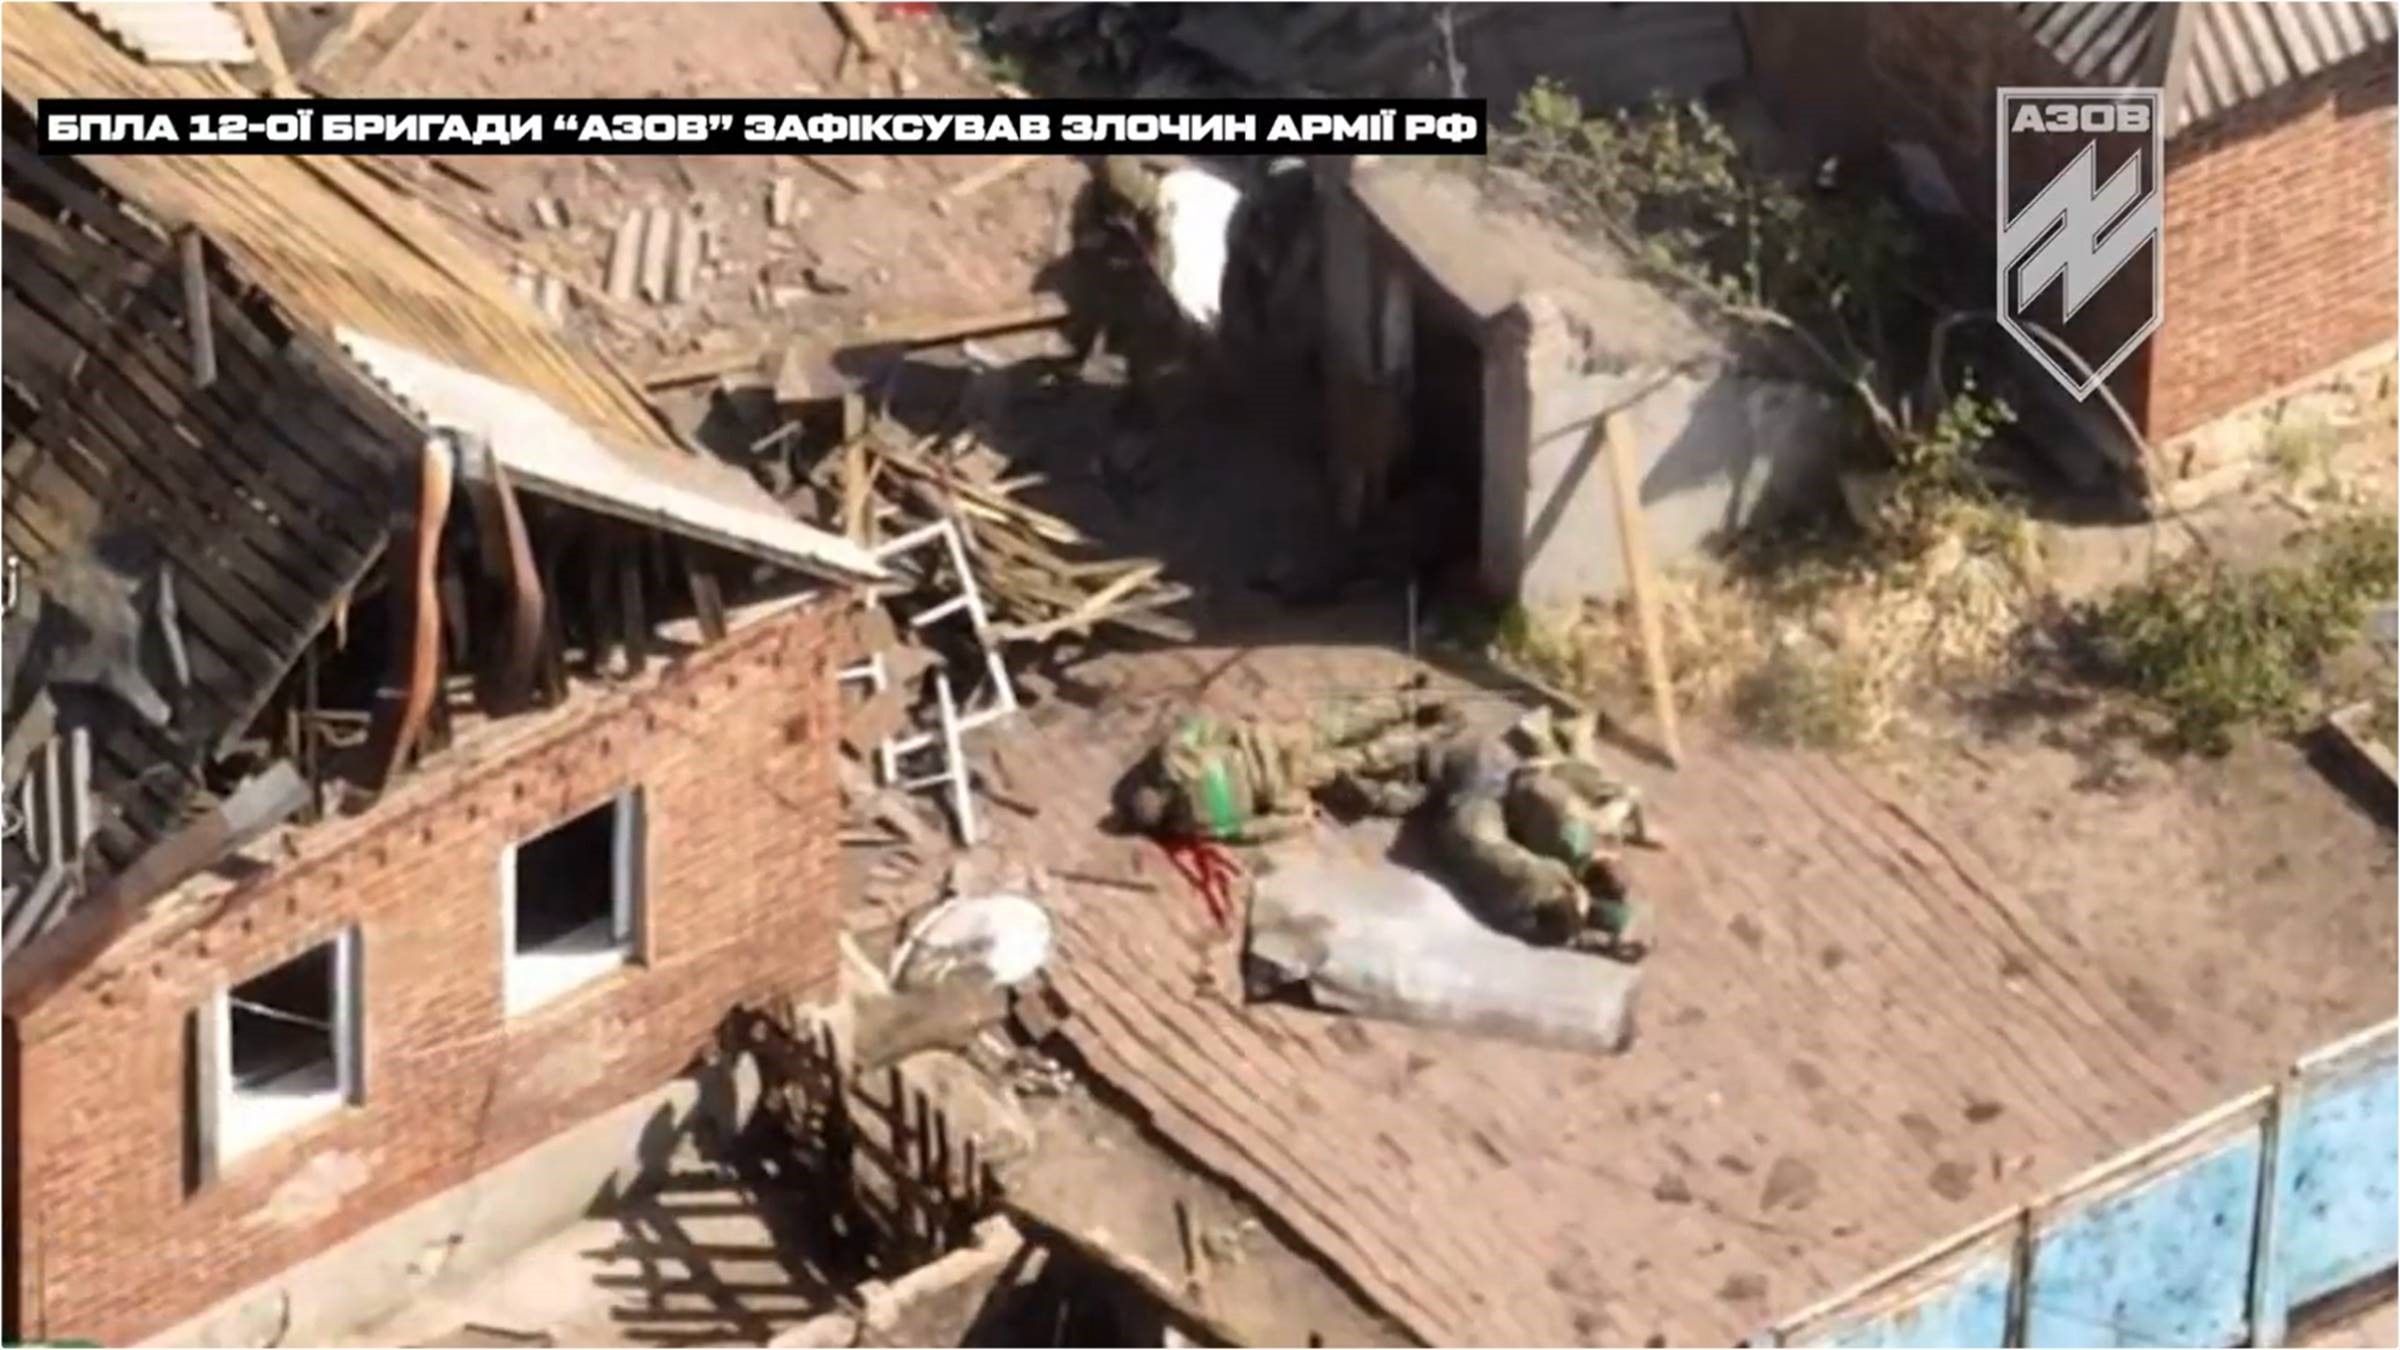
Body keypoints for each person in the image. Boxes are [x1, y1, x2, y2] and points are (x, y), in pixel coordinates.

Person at [1123, 695, 1463, 845]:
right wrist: (1240, 730)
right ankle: (1413, 702)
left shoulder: (1202, 826)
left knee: (1364, 756)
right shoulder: (1177, 762)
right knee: (1342, 724)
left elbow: (1255, 830)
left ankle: (1435, 733)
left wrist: (1296, 818)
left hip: (1285, 781)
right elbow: (1201, 726)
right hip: (1271, 744)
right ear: (1160, 791)